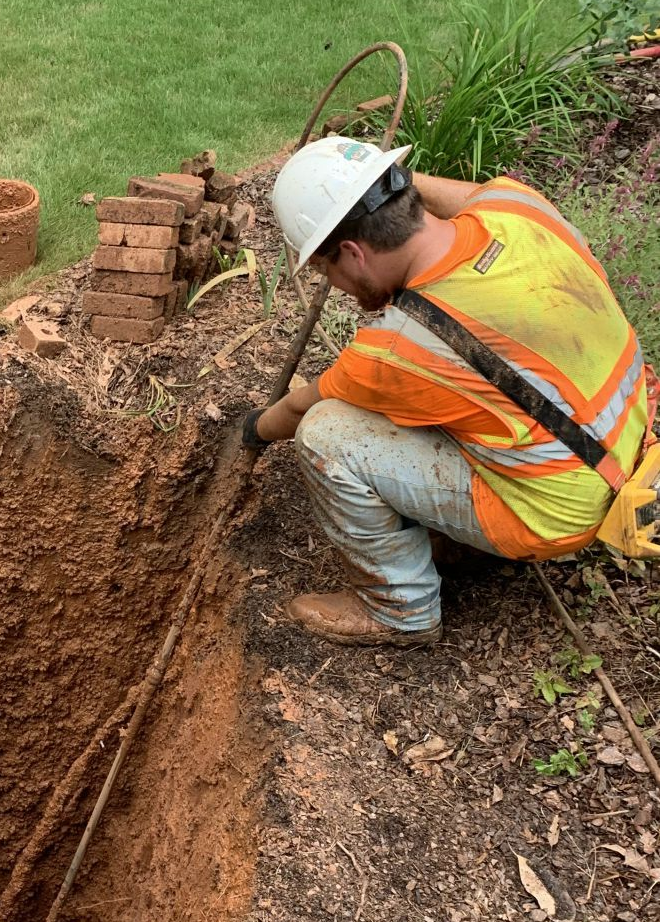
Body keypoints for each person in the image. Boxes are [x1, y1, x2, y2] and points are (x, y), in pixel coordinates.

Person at [247, 137, 652, 645]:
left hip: (556, 510)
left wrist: (254, 431)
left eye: (327, 270)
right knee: (453, 401)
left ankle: (400, 611)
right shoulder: (521, 210)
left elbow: (301, 405)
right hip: (625, 445)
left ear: (352, 252)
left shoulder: (400, 344)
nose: (336, 283)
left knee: (326, 433)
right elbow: (460, 195)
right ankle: (459, 542)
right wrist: (383, 183)